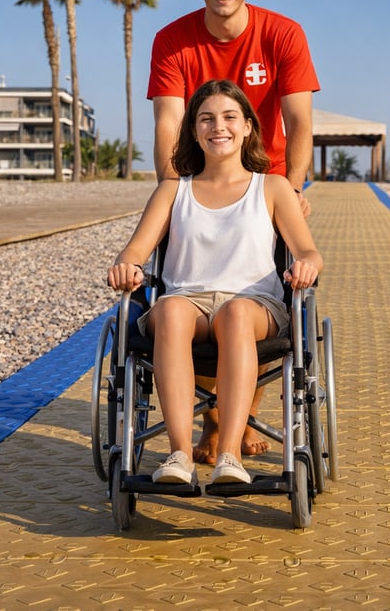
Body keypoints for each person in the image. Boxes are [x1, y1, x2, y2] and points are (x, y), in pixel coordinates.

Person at [147, 0, 320, 463]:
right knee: (193, 291)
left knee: (251, 289)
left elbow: (298, 121)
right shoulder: (172, 39)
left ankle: (235, 426)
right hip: (198, 178)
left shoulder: (283, 34)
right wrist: (172, 196)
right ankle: (207, 430)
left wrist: (288, 189)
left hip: (263, 180)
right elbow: (168, 125)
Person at [108, 80, 323, 485]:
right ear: (193, 129)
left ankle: (229, 455)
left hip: (253, 305)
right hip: (187, 302)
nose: (217, 127)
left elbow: (308, 252)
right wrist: (127, 266)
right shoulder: (173, 190)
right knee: (169, 310)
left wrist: (307, 266)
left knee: (236, 313)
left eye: (228, 117)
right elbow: (134, 251)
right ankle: (180, 455)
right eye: (206, 119)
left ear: (247, 127)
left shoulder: (273, 187)